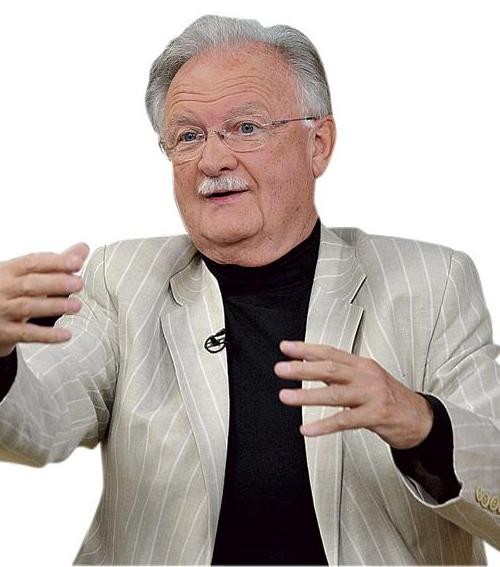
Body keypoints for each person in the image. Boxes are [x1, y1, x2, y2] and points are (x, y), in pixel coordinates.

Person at [0, 14, 499, 565]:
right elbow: (35, 424)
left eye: (245, 128)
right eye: (189, 136)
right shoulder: (124, 279)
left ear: (319, 144)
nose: (213, 161)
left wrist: (423, 425)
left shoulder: (432, 284)